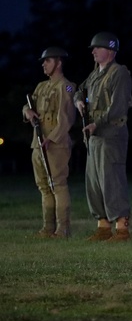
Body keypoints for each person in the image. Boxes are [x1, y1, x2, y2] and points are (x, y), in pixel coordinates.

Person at [74, 32, 132, 242]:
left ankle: (122, 228)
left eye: (97, 48)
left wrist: (96, 123)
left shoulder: (120, 73)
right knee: (94, 181)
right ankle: (103, 227)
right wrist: (78, 101)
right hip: (94, 136)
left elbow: (117, 107)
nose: (93, 51)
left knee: (112, 180)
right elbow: (77, 90)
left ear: (110, 50)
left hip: (111, 135)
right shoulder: (93, 75)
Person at [22, 47, 77, 238]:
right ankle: (48, 227)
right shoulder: (41, 86)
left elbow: (67, 118)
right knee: (44, 187)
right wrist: (27, 112)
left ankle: (63, 228)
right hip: (38, 142)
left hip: (55, 144)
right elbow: (29, 106)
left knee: (58, 185)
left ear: (59, 63)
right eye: (43, 61)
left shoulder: (67, 86)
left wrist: (51, 139)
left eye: (48, 61)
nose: (44, 64)